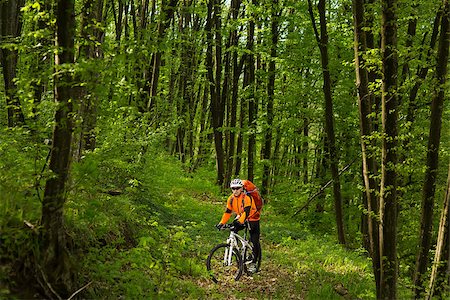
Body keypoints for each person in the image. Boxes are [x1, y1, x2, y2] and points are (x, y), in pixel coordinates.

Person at [216, 178, 261, 273]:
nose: (235, 190)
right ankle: (236, 250)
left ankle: (253, 262)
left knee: (254, 239)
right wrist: (221, 223)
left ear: (241, 188)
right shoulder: (231, 199)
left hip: (253, 217)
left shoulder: (246, 198)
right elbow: (227, 212)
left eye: (237, 188)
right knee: (233, 229)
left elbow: (246, 212)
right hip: (241, 216)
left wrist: (239, 221)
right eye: (233, 188)